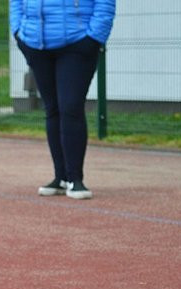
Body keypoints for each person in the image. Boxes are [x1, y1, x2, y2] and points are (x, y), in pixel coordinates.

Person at [10, 0, 115, 200]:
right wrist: (19, 32)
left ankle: (76, 179)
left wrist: (94, 37)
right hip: (36, 42)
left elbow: (105, 3)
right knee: (52, 109)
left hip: (78, 42)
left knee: (71, 106)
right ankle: (60, 177)